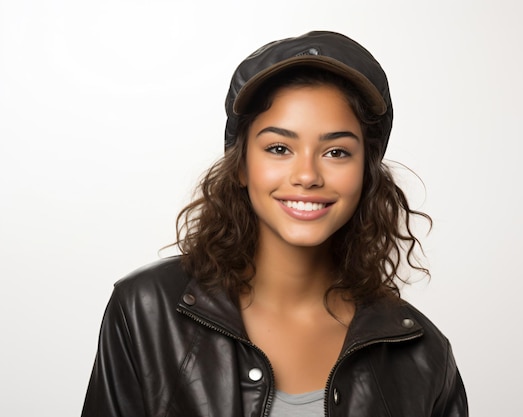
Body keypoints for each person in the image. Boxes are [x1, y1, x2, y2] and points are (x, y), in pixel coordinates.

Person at [81, 31, 468, 417]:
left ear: (365, 174)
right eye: (279, 148)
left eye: (336, 151)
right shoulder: (146, 311)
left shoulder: (424, 356)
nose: (307, 175)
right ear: (242, 166)